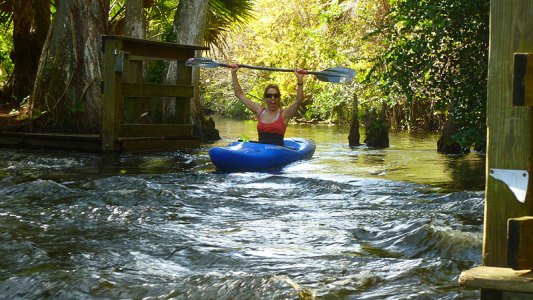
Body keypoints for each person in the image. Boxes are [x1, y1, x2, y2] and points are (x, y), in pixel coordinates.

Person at [230, 64, 307, 146]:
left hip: (277, 151)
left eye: (275, 95)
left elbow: (299, 100)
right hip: (261, 149)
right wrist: (233, 74)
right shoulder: (259, 111)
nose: (272, 98)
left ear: (279, 98)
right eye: (269, 96)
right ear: (265, 98)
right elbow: (240, 95)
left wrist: (300, 80)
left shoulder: (285, 114)